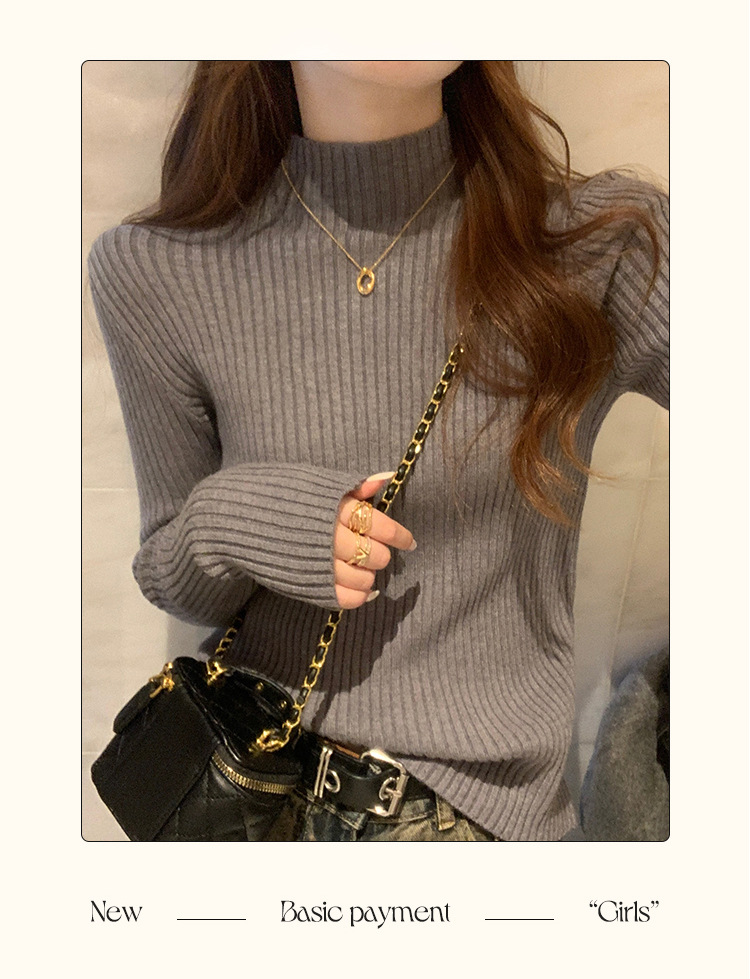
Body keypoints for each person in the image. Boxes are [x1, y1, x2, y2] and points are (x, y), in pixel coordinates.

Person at [88, 61, 668, 842]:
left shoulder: (595, 242)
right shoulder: (154, 268)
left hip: (480, 829)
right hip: (253, 801)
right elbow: (167, 566)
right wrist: (243, 518)